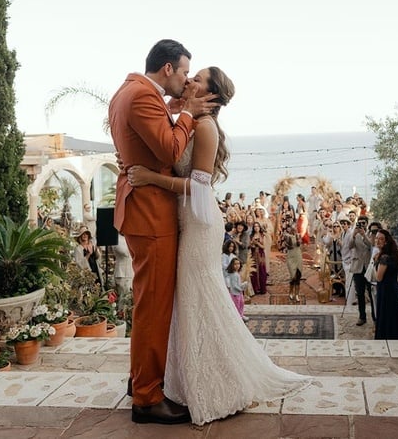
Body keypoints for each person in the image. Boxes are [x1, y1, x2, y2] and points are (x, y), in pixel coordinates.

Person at [126, 65, 311, 425]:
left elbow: (199, 187)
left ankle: (218, 382)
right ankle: (181, 376)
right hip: (185, 221)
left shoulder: (206, 127)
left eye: (197, 79)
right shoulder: (189, 121)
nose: (189, 81)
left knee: (199, 296)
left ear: (210, 95)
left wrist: (150, 178)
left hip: (200, 224)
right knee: (189, 299)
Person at [109, 39, 216, 425]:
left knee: (148, 306)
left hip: (144, 211)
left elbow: (147, 143)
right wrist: (188, 112)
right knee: (153, 310)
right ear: (168, 68)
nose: (187, 79)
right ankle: (147, 398)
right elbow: (170, 150)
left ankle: (140, 379)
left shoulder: (128, 91)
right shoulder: (142, 95)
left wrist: (180, 110)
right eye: (185, 71)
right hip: (151, 216)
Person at [373, 229, 398, 340]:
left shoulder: (384, 257)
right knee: (392, 315)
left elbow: (379, 277)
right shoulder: (391, 255)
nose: (377, 241)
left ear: (386, 241)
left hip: (387, 290)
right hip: (392, 288)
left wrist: (374, 264)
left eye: (381, 239)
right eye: (376, 238)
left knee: (387, 314)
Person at [347, 215, 375, 326]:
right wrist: (354, 235)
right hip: (358, 267)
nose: (361, 225)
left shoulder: (370, 234)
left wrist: (364, 235)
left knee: (371, 293)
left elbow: (371, 245)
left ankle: (375, 316)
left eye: (363, 223)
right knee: (360, 293)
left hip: (368, 267)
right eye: (359, 223)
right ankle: (362, 316)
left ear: (367, 223)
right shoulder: (355, 233)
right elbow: (349, 246)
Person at [225, 257, 249, 322]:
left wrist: (243, 285)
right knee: (237, 305)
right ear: (232, 265)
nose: (237, 265)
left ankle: (241, 315)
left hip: (239, 293)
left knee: (242, 303)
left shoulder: (236, 273)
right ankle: (238, 317)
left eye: (238, 264)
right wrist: (241, 288)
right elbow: (234, 285)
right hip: (235, 293)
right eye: (235, 264)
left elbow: (238, 284)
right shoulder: (233, 275)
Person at [249, 222, 268, 295]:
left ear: (259, 227)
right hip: (253, 255)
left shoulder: (262, 235)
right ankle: (255, 289)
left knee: (261, 271)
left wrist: (257, 243)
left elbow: (264, 247)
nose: (256, 228)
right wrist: (252, 244)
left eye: (257, 226)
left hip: (260, 255)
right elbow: (249, 246)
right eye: (255, 226)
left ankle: (262, 288)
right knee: (254, 271)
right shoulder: (251, 235)